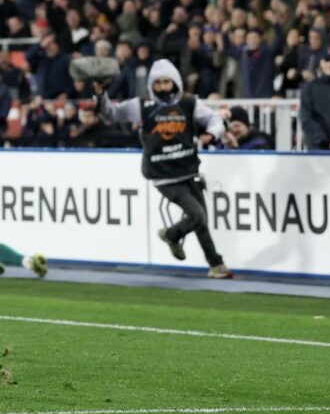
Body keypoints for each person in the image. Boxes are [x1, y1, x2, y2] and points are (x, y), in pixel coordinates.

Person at [96, 59, 233, 278]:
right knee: (198, 216)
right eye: (157, 83)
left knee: (201, 220)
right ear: (151, 84)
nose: (162, 87)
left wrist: (212, 133)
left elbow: (214, 118)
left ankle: (215, 264)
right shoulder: (141, 105)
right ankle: (172, 235)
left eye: (166, 82)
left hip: (188, 168)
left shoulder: (189, 102)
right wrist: (101, 95)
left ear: (175, 82)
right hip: (163, 175)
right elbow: (111, 114)